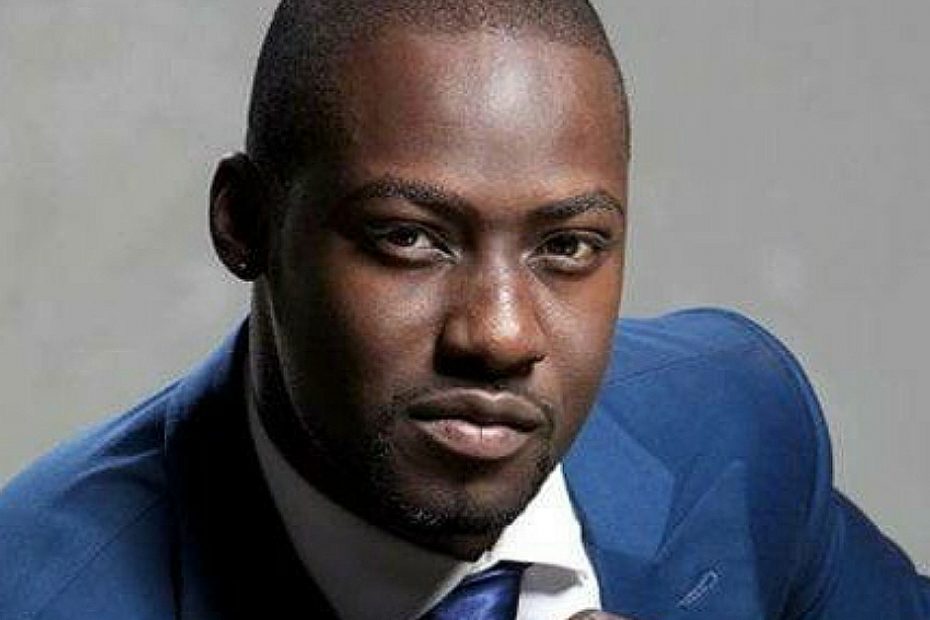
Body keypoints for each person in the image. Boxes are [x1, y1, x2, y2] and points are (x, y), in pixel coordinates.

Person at [1, 0, 928, 618]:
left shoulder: (732, 428)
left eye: (569, 247)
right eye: (409, 238)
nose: (499, 333)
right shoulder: (42, 594)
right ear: (246, 224)